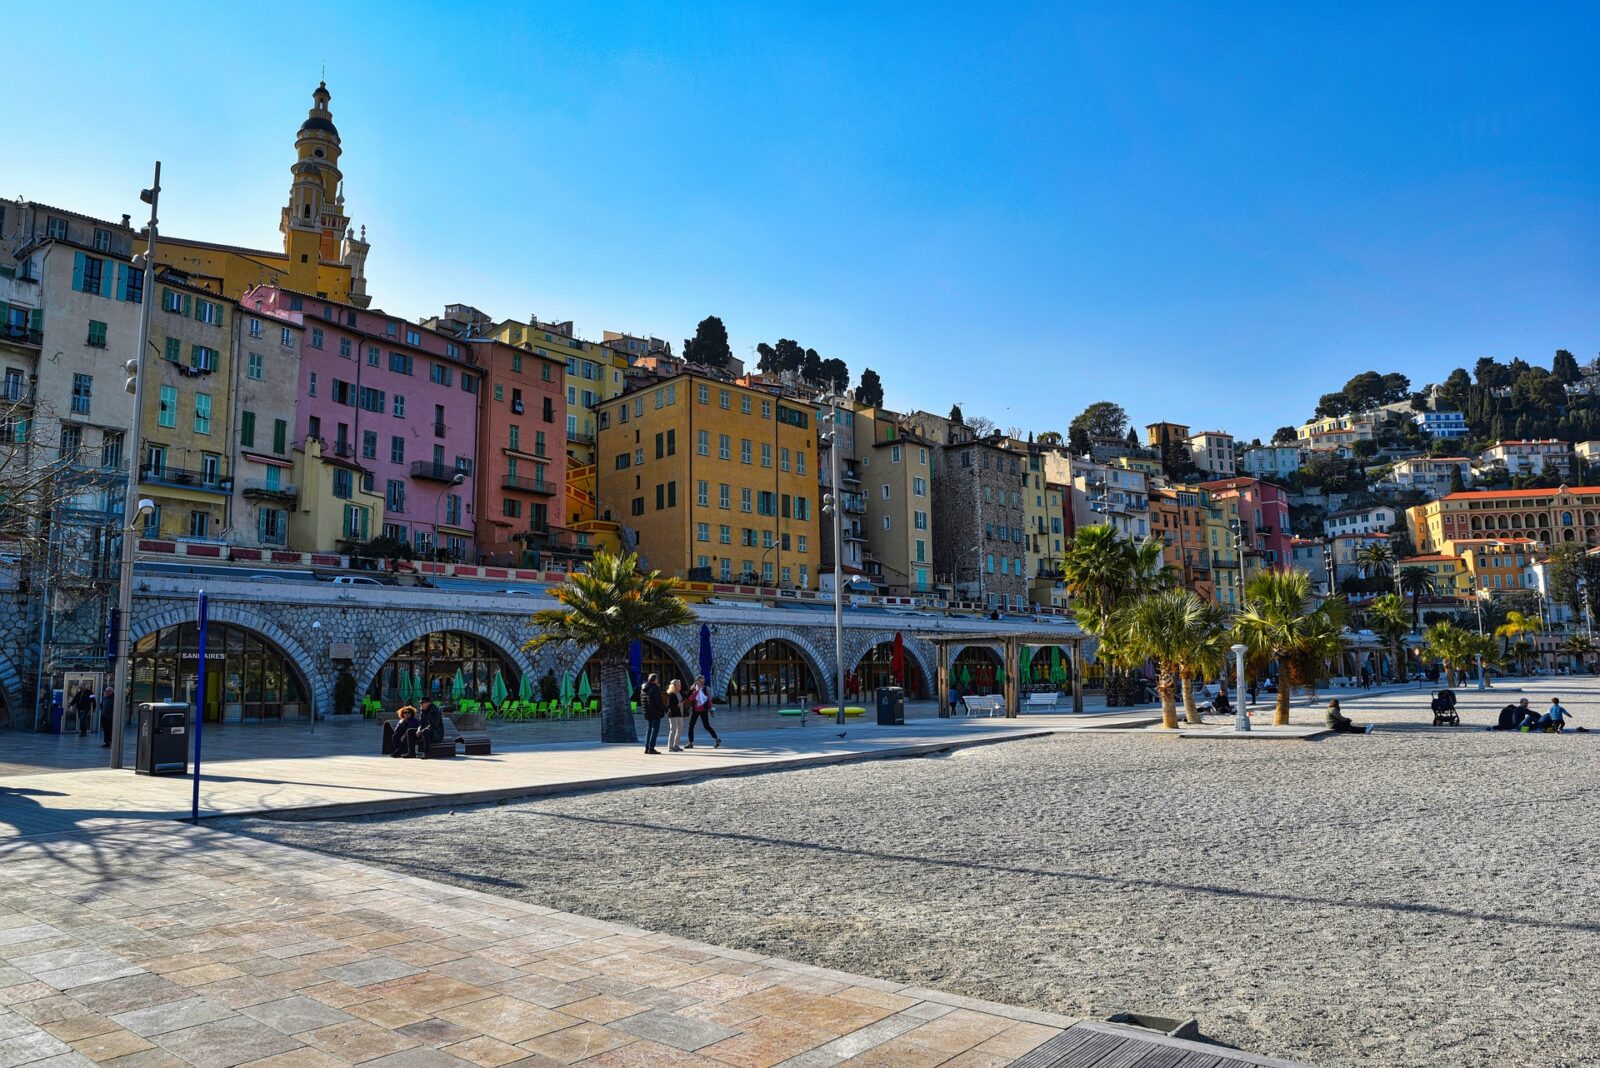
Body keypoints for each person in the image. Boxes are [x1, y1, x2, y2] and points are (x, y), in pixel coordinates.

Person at [684, 676, 720, 749]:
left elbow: (709, 700)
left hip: (703, 709)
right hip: (695, 710)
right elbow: (690, 698)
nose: (702, 683)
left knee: (706, 726)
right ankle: (691, 742)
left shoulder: (705, 689)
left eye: (703, 681)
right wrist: (696, 691)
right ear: (697, 681)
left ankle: (717, 739)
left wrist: (711, 710)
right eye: (701, 681)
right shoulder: (693, 688)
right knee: (691, 725)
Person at [641, 673, 665, 754]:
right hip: (655, 713)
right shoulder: (654, 688)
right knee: (655, 730)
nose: (658, 680)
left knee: (649, 730)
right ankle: (651, 748)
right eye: (657, 679)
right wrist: (666, 709)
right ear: (654, 680)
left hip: (647, 712)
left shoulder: (644, 689)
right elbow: (658, 702)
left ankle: (647, 747)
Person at [665, 679, 687, 751]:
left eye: (680, 684)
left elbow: (688, 695)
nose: (680, 686)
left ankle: (676, 745)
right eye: (679, 684)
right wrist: (678, 705)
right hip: (673, 715)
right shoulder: (671, 695)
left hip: (680, 714)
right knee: (673, 730)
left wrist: (692, 688)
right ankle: (670, 746)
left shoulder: (680, 693)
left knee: (680, 730)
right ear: (674, 686)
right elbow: (669, 706)